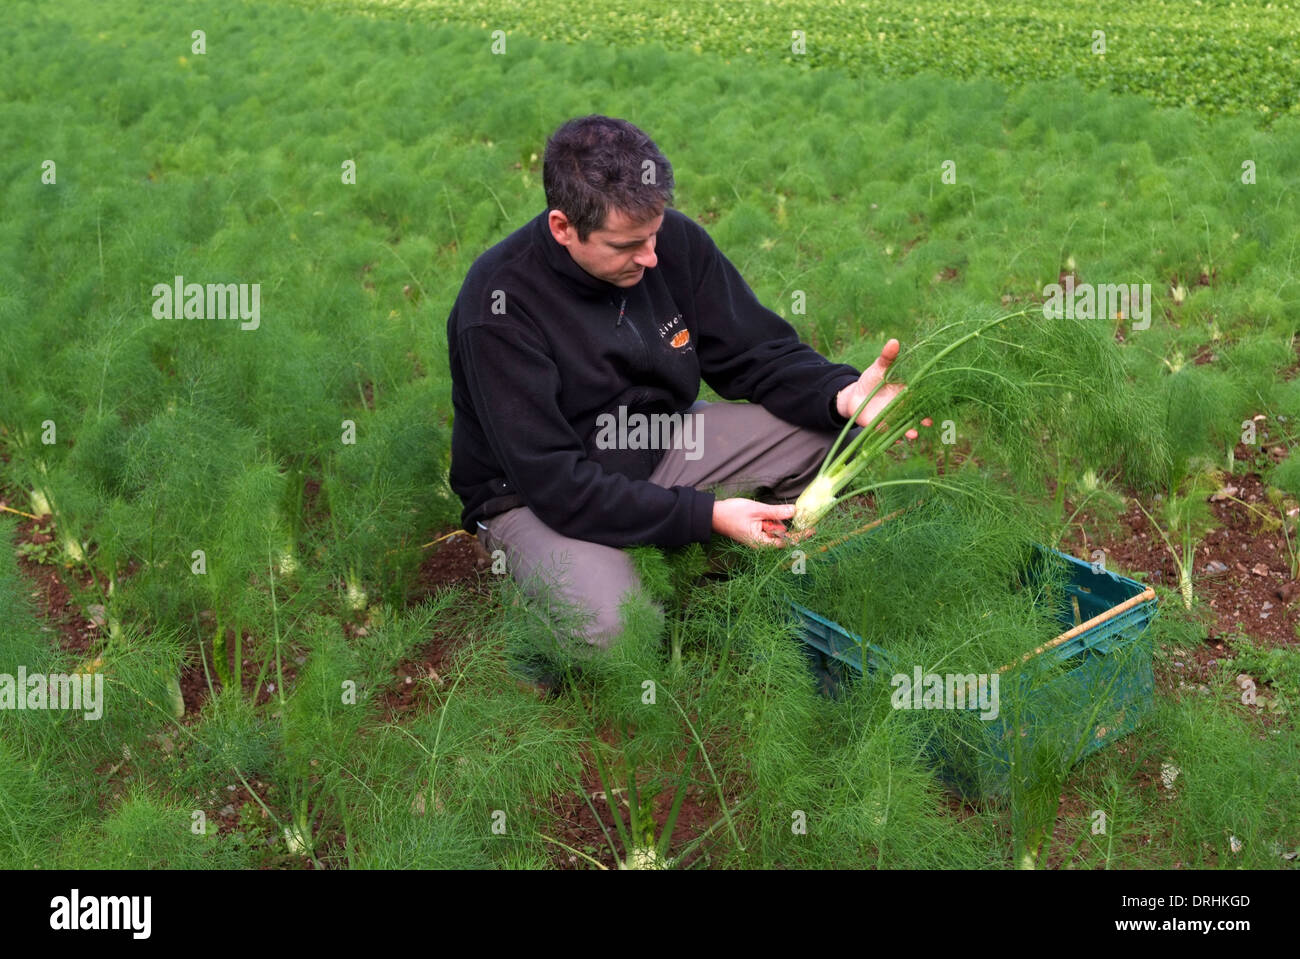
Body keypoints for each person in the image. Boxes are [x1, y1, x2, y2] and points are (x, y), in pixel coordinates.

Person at [447, 115, 913, 661]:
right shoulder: (499, 307)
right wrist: (704, 515)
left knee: (830, 436)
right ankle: (542, 624)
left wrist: (839, 395)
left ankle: (727, 580)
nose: (650, 258)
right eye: (626, 245)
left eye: (654, 234)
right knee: (621, 633)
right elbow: (556, 483)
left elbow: (754, 351)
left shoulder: (670, 242)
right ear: (562, 227)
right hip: (535, 497)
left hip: (659, 439)